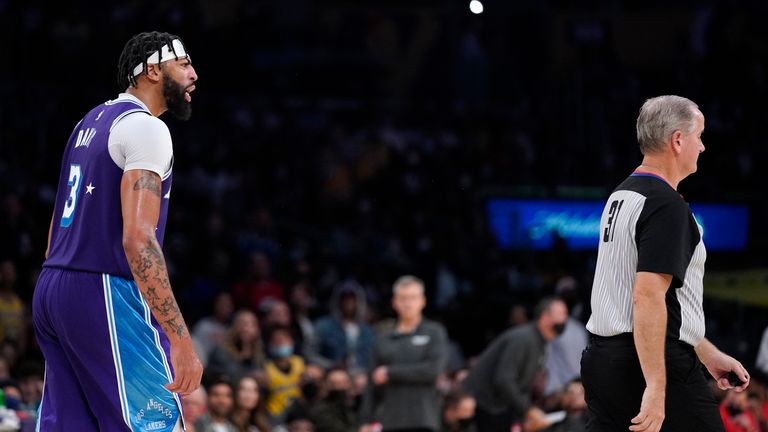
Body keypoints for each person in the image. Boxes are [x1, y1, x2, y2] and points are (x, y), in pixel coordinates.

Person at [32, 31, 202, 431]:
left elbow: (53, 236)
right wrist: (178, 338)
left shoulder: (88, 122)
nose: (194, 74)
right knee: (157, 425)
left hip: (54, 285)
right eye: (184, 64)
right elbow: (138, 239)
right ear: (153, 71)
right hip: (102, 289)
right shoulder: (147, 129)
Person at [581, 95, 750, 432]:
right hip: (651, 364)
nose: (702, 147)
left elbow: (656, 302)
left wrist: (703, 351)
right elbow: (647, 297)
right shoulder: (666, 205)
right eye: (699, 136)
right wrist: (656, 388)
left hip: (603, 360)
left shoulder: (622, 195)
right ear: (677, 140)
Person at [462, 297, 569, 432]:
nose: (565, 320)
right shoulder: (523, 338)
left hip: (498, 407)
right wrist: (527, 409)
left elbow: (520, 383)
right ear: (545, 316)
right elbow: (504, 379)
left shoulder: (540, 341)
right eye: (562, 314)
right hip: (481, 407)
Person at [361, 275, 448, 432]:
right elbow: (371, 381)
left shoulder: (434, 332)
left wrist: (390, 372)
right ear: (394, 302)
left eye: (413, 298)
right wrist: (366, 420)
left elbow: (433, 370)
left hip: (423, 419)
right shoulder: (383, 336)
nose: (408, 303)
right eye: (403, 298)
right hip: (388, 420)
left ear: (423, 301)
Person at [312, 281, 374, 371]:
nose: (348, 302)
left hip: (362, 374)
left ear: (359, 302)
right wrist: (330, 365)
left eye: (352, 299)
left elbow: (373, 358)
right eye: (344, 298)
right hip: (333, 373)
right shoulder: (324, 326)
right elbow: (310, 353)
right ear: (338, 301)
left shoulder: (367, 331)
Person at [207, 309, 266, 382]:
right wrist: (250, 376)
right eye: (243, 324)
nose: (246, 329)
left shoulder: (260, 354)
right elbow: (216, 377)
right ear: (234, 327)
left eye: (252, 325)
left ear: (257, 330)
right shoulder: (221, 351)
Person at [310, 368, 358, 432]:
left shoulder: (355, 404)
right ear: (326, 385)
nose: (340, 387)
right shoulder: (321, 410)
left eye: (344, 383)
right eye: (334, 384)